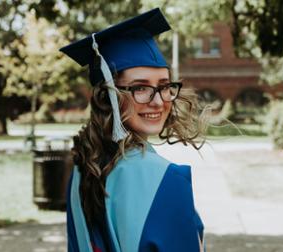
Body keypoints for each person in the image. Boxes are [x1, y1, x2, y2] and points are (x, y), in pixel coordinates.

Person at [60, 8, 207, 252]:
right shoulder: (165, 178)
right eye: (140, 88)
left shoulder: (83, 168)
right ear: (108, 97)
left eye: (164, 86)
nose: (158, 101)